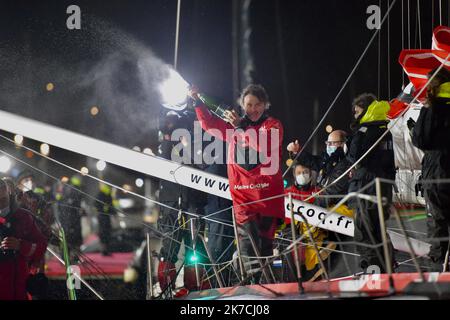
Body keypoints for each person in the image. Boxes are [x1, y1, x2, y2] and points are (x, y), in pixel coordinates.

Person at [190, 84, 284, 283]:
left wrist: (241, 127)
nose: (253, 109)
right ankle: (251, 289)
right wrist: (198, 101)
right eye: (249, 104)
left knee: (265, 249)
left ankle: (266, 289)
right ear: (242, 105)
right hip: (243, 201)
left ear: (265, 105)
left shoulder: (273, 125)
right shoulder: (235, 127)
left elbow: (265, 146)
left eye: (258, 104)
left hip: (268, 200)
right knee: (247, 249)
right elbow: (209, 124)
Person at [347, 93, 396, 273]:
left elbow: (354, 157)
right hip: (383, 187)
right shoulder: (386, 130)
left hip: (365, 187)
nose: (355, 116)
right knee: (379, 230)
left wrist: (352, 139)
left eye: (357, 112)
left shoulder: (364, 131)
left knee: (364, 232)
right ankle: (388, 269)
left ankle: (373, 273)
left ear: (366, 111)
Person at [410, 68, 450, 271]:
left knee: (438, 225)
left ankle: (440, 274)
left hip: (437, 174)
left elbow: (421, 139)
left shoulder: (433, 106)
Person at [0, 179, 47, 300]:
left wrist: (21, 245)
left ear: (8, 192)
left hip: (19, 283)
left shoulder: (23, 216)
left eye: (2, 187)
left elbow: (41, 245)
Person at [286, 130, 351, 208]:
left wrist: (312, 208)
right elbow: (312, 161)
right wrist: (297, 151)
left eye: (332, 143)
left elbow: (331, 192)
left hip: (338, 208)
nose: (329, 146)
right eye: (327, 143)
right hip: (327, 206)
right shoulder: (328, 159)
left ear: (343, 144)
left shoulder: (345, 164)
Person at [95, 183, 116, 256]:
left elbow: (110, 206)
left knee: (105, 233)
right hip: (103, 216)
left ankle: (105, 250)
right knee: (104, 232)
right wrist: (104, 209)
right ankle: (104, 250)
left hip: (105, 216)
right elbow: (97, 204)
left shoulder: (103, 194)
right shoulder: (104, 194)